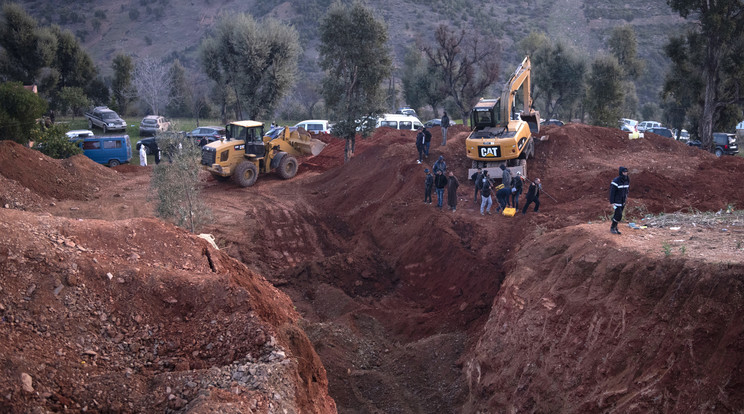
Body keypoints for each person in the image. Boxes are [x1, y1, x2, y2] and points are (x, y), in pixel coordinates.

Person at [609, 166, 630, 234]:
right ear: (621, 173)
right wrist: (612, 202)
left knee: (617, 215)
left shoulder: (627, 180)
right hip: (617, 201)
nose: (625, 174)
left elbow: (627, 190)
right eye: (624, 172)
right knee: (619, 215)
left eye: (626, 172)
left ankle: (615, 227)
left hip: (623, 201)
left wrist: (626, 198)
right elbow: (612, 192)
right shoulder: (616, 181)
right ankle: (612, 227)